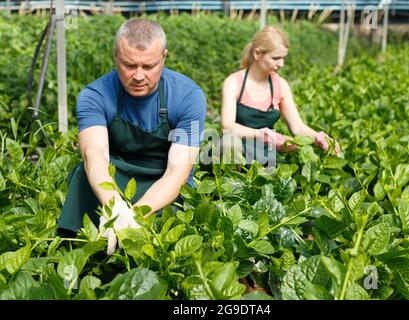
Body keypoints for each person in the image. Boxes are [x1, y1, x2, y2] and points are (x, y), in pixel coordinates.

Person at [58, 19, 206, 255]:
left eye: (148, 66)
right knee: (82, 177)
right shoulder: (94, 95)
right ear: (116, 55)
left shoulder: (189, 96)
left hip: (163, 179)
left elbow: (178, 171)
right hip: (115, 177)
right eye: (129, 65)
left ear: (164, 57)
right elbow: (94, 155)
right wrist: (115, 206)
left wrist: (134, 216)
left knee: (161, 250)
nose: (138, 76)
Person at [220, 26, 340, 166]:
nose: (281, 64)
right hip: (233, 157)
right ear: (257, 54)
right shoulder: (234, 82)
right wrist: (263, 135)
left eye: (284, 58)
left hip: (265, 156)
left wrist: (318, 137)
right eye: (276, 58)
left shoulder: (280, 85)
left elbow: (297, 127)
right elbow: (227, 126)